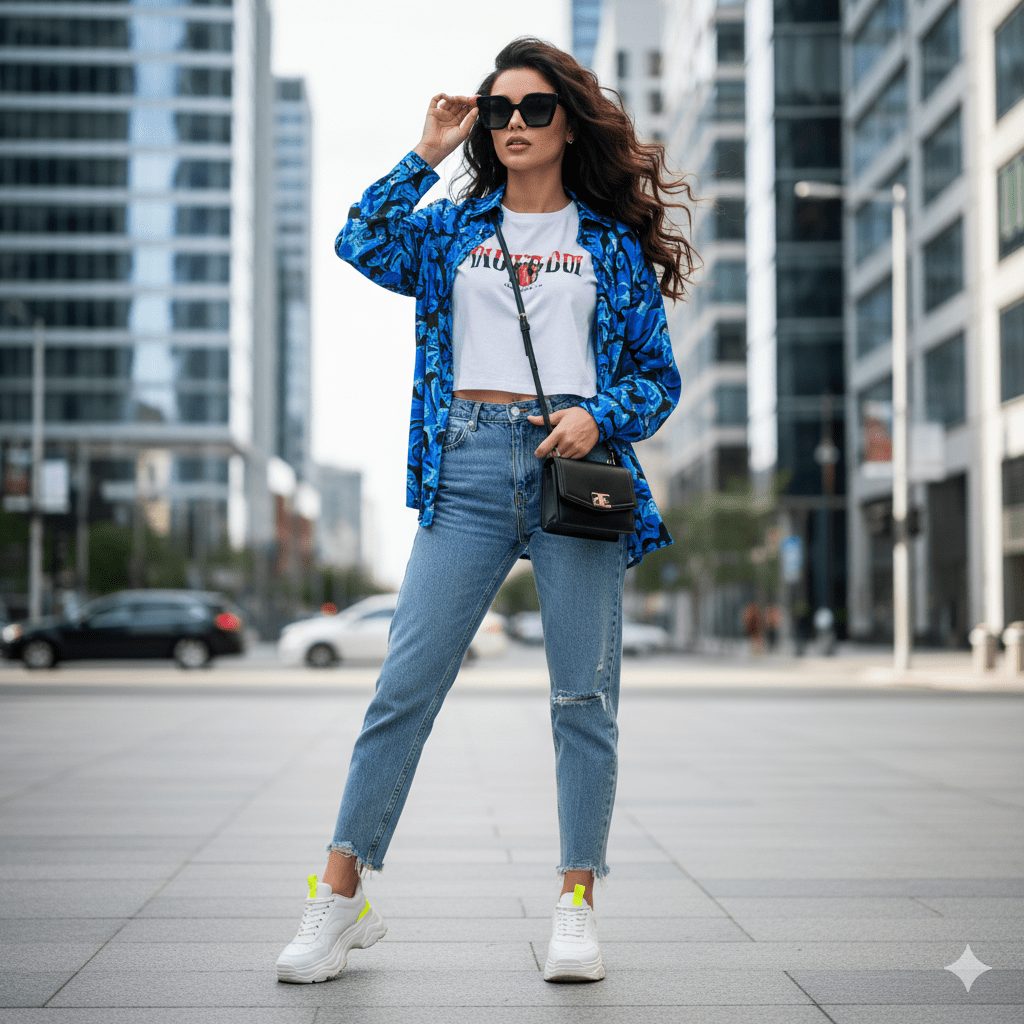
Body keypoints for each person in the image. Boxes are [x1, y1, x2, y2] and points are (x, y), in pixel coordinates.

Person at [276, 35, 698, 986]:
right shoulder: (450, 232)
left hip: (571, 476)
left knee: (583, 700)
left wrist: (600, 416)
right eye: (497, 109)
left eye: (533, 109)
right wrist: (425, 152)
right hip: (463, 467)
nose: (512, 123)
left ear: (566, 122)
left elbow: (655, 376)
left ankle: (577, 906)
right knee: (404, 688)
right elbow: (360, 241)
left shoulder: (609, 247)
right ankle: (339, 899)